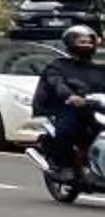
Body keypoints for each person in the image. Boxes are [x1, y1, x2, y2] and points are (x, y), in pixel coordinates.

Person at [32, 25, 105, 181]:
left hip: (95, 108)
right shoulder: (59, 66)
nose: (86, 45)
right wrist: (71, 96)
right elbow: (56, 83)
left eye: (89, 42)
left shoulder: (99, 69)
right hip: (68, 107)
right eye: (82, 41)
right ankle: (61, 165)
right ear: (71, 43)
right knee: (66, 130)